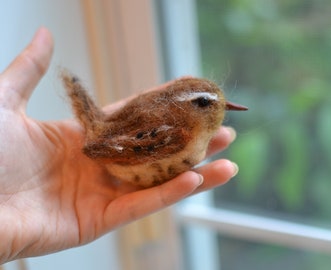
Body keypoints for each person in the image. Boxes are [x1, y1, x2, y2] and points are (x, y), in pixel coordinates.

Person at [0, 28, 239, 264]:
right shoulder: (182, 135)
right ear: (195, 107)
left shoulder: (188, 129)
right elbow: (124, 146)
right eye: (208, 104)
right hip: (115, 154)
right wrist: (102, 144)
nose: (219, 110)